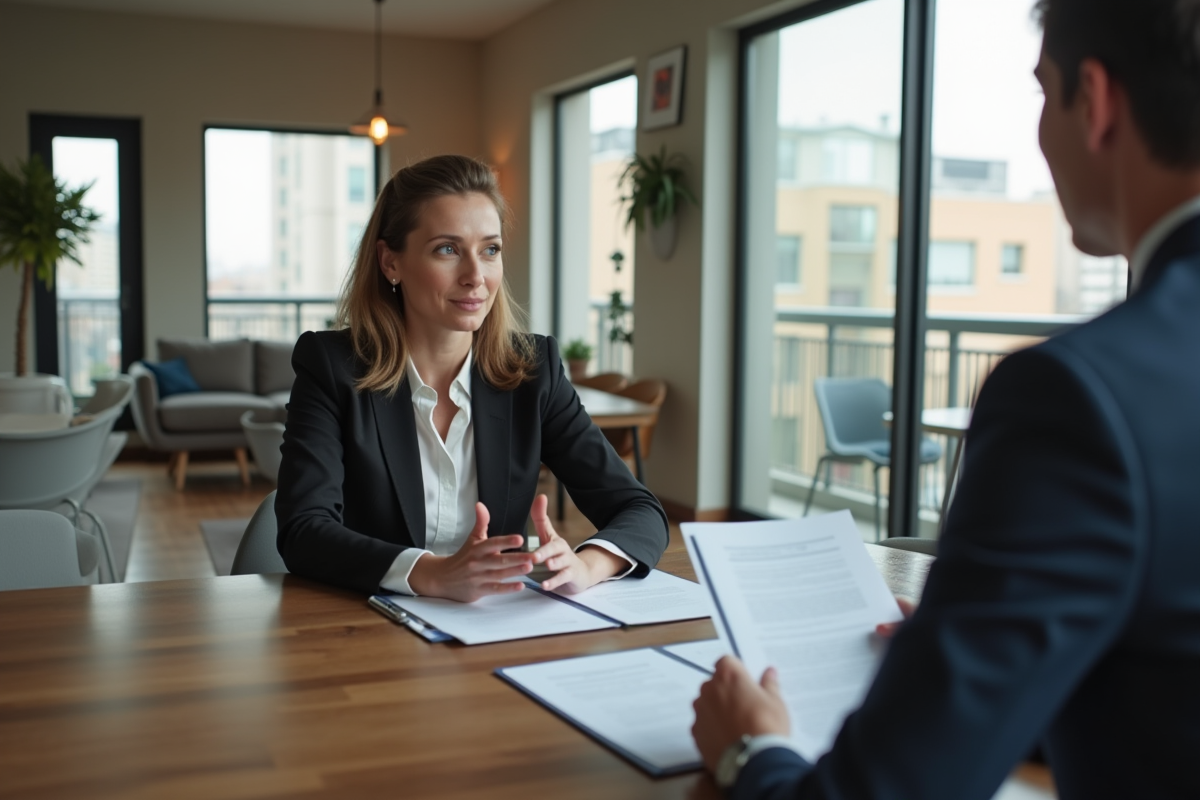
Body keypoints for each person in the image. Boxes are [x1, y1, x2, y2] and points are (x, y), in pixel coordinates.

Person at [691, 1, 1200, 797]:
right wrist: (983, 674)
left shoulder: (1078, 397)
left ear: (1094, 100)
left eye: (1042, 92)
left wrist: (750, 751)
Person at [275, 155, 668, 600]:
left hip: (489, 635)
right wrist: (431, 574)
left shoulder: (533, 371)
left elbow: (641, 510)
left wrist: (588, 565)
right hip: (366, 627)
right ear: (390, 262)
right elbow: (303, 531)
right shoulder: (332, 367)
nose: (475, 276)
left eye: (490, 250)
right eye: (447, 249)